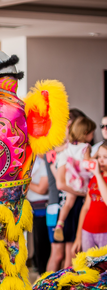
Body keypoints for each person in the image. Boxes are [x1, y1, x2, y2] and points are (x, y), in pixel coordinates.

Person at [45, 108, 86, 273]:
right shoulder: (52, 152)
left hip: (70, 205)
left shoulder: (75, 149)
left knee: (70, 255)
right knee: (57, 255)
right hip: (55, 206)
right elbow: (61, 182)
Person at [54, 116, 96, 242]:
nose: (93, 136)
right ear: (85, 133)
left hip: (70, 177)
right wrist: (95, 157)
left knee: (68, 202)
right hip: (81, 179)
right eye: (92, 133)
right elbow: (87, 162)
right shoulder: (86, 147)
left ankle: (60, 223)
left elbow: (56, 150)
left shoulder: (69, 146)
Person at [72, 143, 107, 255]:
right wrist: (78, 237)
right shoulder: (94, 178)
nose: (100, 161)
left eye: (105, 157)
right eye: (99, 157)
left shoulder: (97, 176)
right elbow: (86, 207)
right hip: (87, 230)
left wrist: (97, 174)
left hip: (105, 233)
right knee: (89, 268)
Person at [26, 154, 50, 276]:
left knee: (42, 242)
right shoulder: (37, 163)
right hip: (33, 208)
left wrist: (26, 181)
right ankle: (38, 266)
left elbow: (42, 189)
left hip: (42, 209)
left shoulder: (46, 164)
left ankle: (43, 271)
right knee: (36, 240)